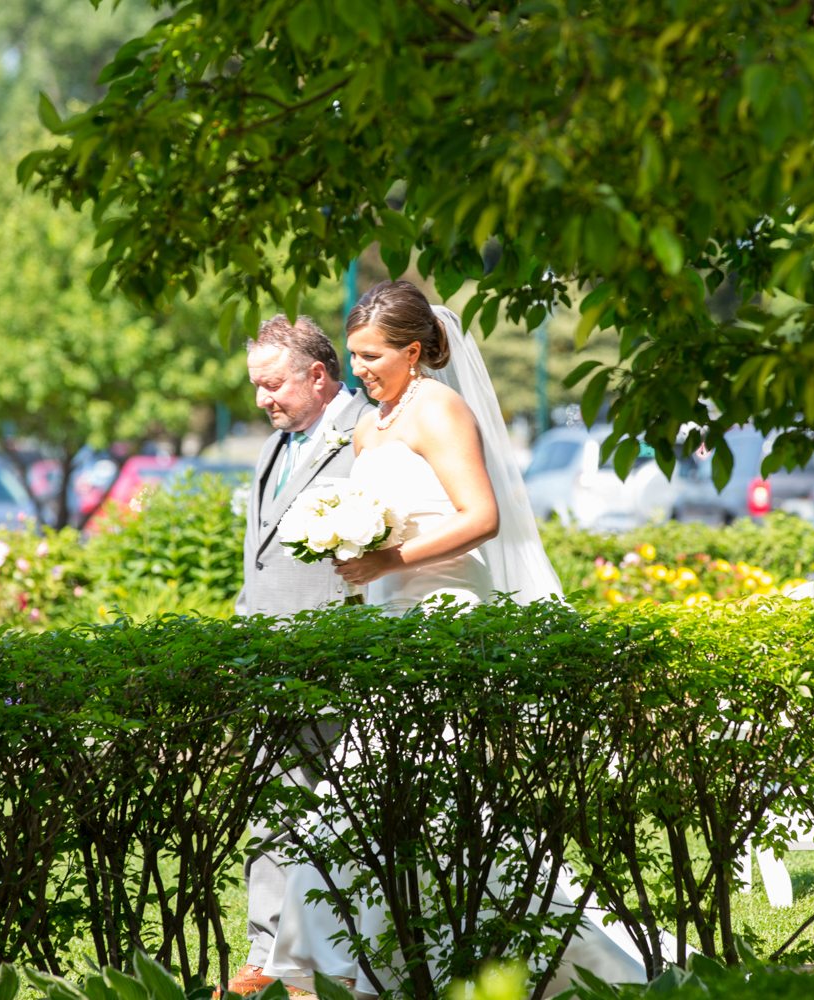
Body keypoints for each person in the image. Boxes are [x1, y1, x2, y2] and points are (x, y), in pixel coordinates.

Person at [259, 281, 642, 995]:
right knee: (364, 802)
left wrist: (389, 560)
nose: (360, 370)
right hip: (389, 626)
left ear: (413, 351)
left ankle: (480, 953)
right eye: (353, 356)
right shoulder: (369, 428)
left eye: (373, 356)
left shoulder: (440, 409)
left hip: (442, 621)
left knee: (433, 806)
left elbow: (481, 515)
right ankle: (378, 962)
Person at [230, 314, 372, 997]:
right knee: (270, 809)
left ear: (318, 375)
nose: (262, 399)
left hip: (337, 659)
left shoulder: (368, 434)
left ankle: (329, 959)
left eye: (272, 385)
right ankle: (269, 954)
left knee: (338, 819)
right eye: (256, 386)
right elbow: (260, 558)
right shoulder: (273, 446)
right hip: (270, 662)